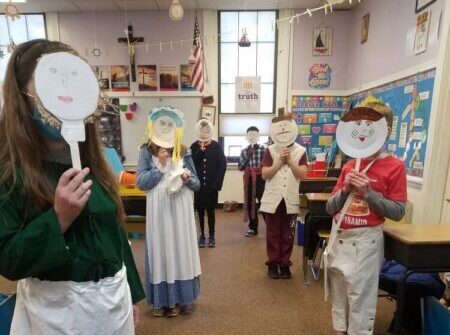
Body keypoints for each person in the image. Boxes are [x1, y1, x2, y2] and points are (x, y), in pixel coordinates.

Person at [0, 39, 144, 334]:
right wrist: (58, 218)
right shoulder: (10, 174)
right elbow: (9, 260)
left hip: (112, 307)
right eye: (51, 88)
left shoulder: (95, 164)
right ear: (24, 96)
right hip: (56, 315)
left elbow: (114, 232)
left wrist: (132, 294)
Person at [326, 102, 407, 335]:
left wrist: (369, 194)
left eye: (370, 125)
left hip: (366, 243)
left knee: (361, 301)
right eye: (359, 124)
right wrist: (344, 190)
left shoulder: (395, 167)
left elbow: (398, 212)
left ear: (386, 131)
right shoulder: (350, 165)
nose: (363, 130)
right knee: (339, 297)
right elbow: (331, 207)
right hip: (340, 238)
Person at [136, 106, 201, 317]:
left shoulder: (184, 151)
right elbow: (140, 182)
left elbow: (197, 184)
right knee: (161, 250)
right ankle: (163, 301)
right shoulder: (146, 151)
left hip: (180, 209)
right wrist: (161, 166)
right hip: (158, 209)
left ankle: (181, 299)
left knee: (180, 250)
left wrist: (187, 178)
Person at [260, 110, 307, 279]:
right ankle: (272, 264)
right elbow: (265, 174)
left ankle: (284, 264)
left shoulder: (301, 151)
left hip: (291, 198)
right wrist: (279, 161)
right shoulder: (270, 150)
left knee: (288, 233)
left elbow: (302, 174)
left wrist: (290, 161)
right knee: (272, 233)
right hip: (273, 198)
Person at [190, 119, 226, 248]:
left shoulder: (216, 146)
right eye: (201, 130)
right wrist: (200, 151)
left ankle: (211, 235)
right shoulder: (194, 146)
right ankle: (201, 236)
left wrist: (216, 185)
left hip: (212, 187)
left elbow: (222, 166)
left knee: (211, 212)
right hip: (198, 187)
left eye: (206, 130)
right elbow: (191, 164)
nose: (203, 132)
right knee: (199, 212)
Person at [238, 126, 266, 237]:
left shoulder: (265, 149)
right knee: (250, 203)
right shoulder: (244, 151)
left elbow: (269, 164)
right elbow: (240, 167)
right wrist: (247, 157)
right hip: (248, 179)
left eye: (254, 134)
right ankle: (253, 228)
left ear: (258, 136)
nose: (251, 136)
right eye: (249, 134)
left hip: (261, 178)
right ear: (246, 137)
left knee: (265, 203)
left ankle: (270, 226)